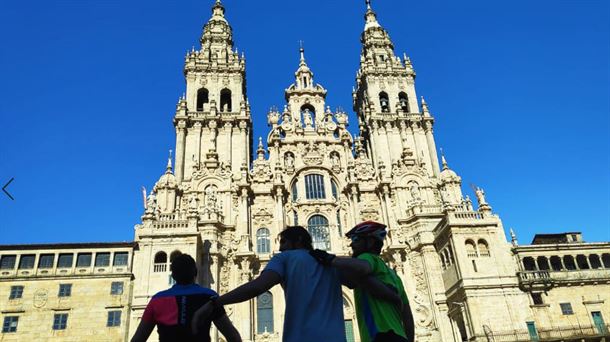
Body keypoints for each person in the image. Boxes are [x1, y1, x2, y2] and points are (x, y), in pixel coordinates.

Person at [192, 226, 346, 342]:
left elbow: (258, 286)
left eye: (284, 242)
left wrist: (215, 302)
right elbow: (361, 273)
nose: (280, 248)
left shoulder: (285, 258)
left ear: (298, 240)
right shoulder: (331, 263)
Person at [310, 221, 415, 342]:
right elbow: (407, 316)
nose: (351, 245)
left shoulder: (367, 257)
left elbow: (363, 267)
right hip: (398, 336)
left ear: (369, 242)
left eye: (355, 239)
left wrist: (330, 259)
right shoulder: (394, 276)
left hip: (381, 335)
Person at [131, 253, 241, 342]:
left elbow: (138, 339)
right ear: (196, 273)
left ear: (173, 275)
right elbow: (233, 336)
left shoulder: (157, 300)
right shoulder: (209, 297)